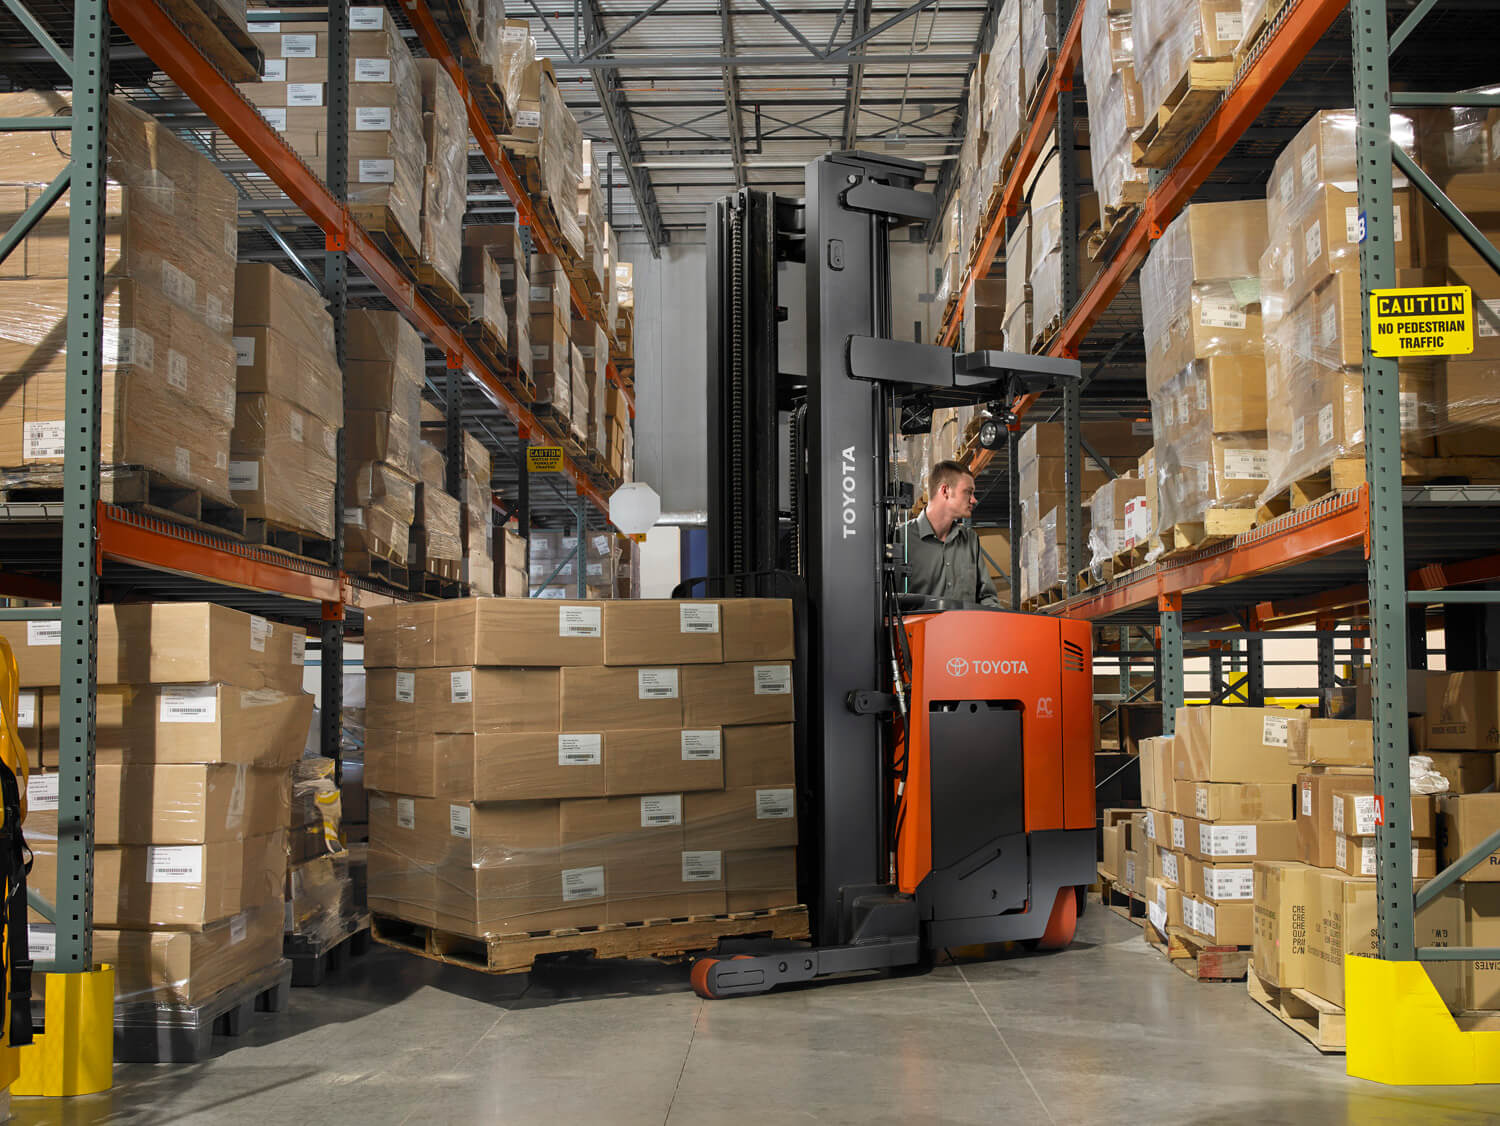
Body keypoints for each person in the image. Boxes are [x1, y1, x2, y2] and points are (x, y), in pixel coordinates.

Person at [895, 460, 1001, 607]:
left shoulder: (970, 540)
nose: (974, 500)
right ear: (945, 491)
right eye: (968, 492)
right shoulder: (899, 539)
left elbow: (987, 597)